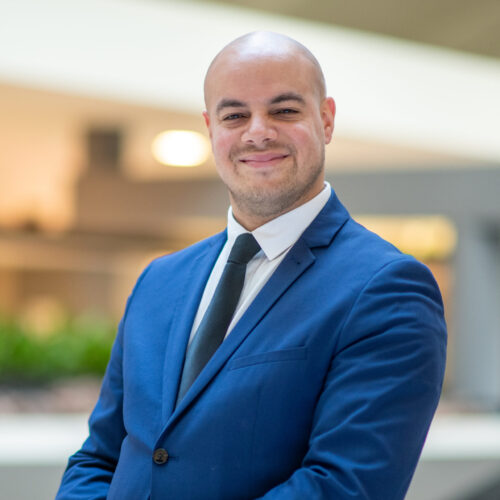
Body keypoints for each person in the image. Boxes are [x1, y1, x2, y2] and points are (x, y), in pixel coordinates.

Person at [56, 31, 446, 500]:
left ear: (326, 120)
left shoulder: (388, 287)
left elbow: (345, 486)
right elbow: (101, 456)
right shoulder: (160, 280)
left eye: (284, 111)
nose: (257, 131)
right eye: (235, 114)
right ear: (210, 129)